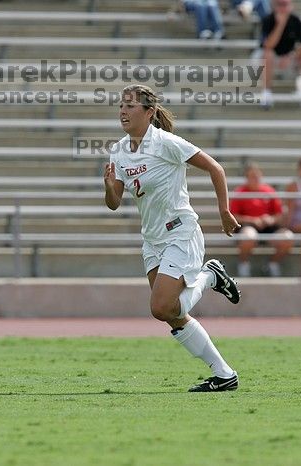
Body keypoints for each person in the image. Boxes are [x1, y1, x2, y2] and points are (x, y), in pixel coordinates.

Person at [104, 84, 242, 392]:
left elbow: (215, 169)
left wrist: (224, 212)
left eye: (130, 106)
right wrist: (109, 186)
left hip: (180, 232)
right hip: (152, 240)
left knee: (161, 307)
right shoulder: (119, 150)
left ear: (149, 112)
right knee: (171, 313)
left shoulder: (166, 143)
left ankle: (209, 276)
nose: (123, 112)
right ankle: (224, 374)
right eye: (121, 106)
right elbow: (114, 203)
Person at [230, 162, 293, 277]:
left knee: (287, 237)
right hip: (247, 226)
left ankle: (273, 264)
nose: (255, 179)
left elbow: (279, 215)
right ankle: (243, 264)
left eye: (257, 176)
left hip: (269, 227)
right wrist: (252, 220)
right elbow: (233, 216)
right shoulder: (240, 192)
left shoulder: (269, 191)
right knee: (249, 236)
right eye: (252, 176)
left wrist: (271, 219)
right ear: (246, 178)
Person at [259, 0, 301, 110]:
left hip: (290, 58)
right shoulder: (268, 19)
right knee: (268, 54)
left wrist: (291, 56)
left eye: (285, 4)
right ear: (274, 5)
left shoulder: (296, 20)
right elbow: (267, 46)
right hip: (267, 59)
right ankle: (266, 93)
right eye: (280, 4)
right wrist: (280, 25)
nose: (283, 7)